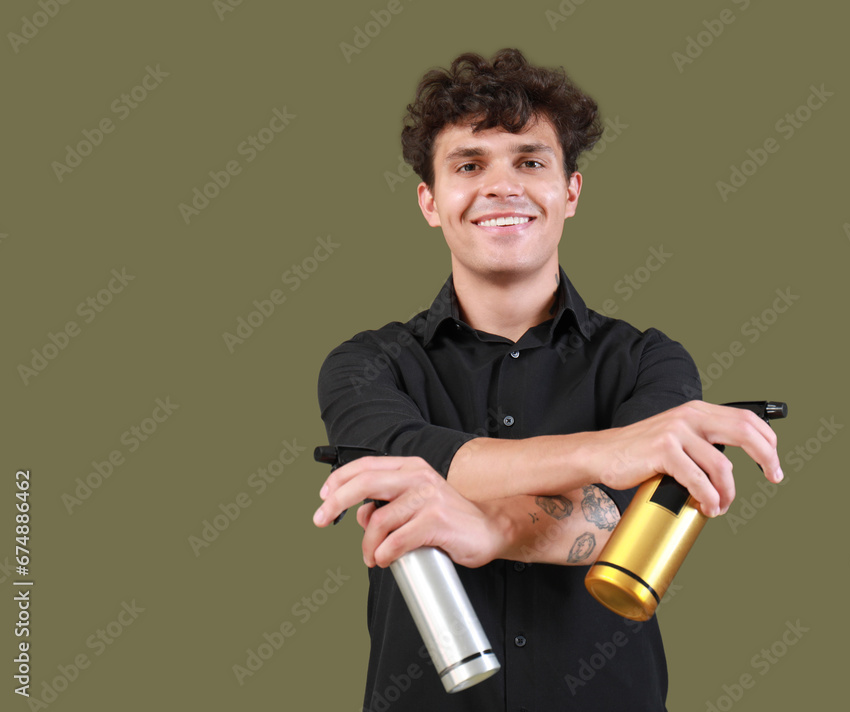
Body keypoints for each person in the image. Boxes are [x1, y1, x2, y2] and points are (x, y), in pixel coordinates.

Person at [313, 48, 782, 711]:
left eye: (530, 162)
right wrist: (612, 452)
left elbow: (627, 523)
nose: (502, 186)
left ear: (570, 192)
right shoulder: (366, 364)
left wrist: (490, 531)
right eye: (469, 165)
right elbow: (413, 461)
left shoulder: (650, 361)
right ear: (429, 201)